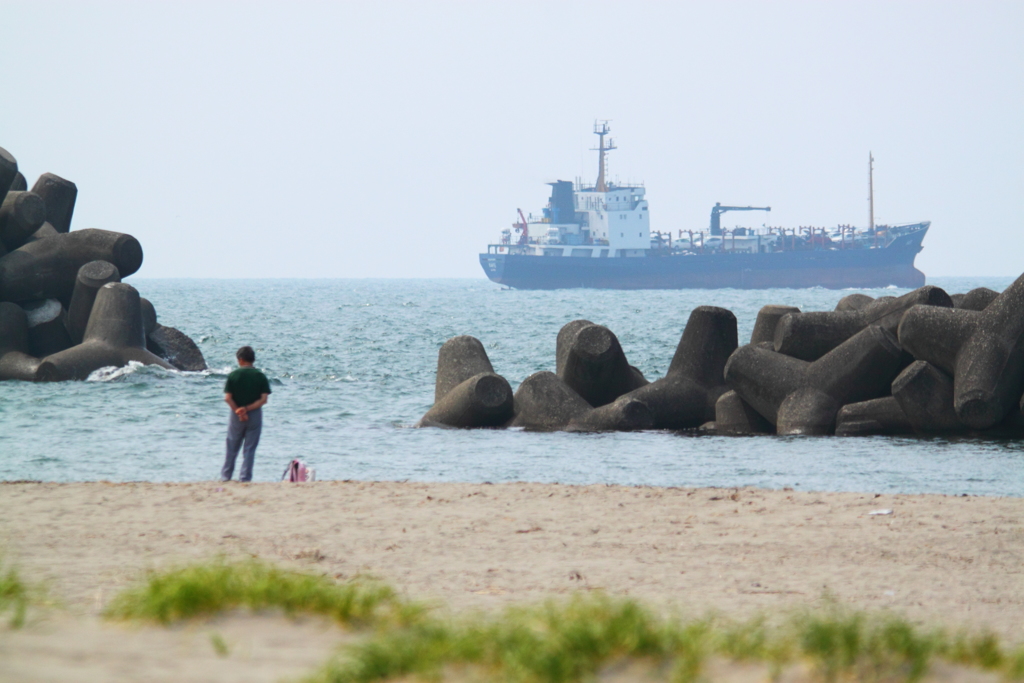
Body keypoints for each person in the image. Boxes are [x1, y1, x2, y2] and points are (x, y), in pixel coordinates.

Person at [221, 345, 271, 482]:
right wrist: (247, 409)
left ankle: (226, 476)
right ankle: (245, 478)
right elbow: (264, 399)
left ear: (241, 360)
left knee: (232, 446)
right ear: (252, 360)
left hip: (235, 415)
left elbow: (228, 398)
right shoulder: (260, 376)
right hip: (254, 415)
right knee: (249, 449)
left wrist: (238, 410)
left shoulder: (233, 375)